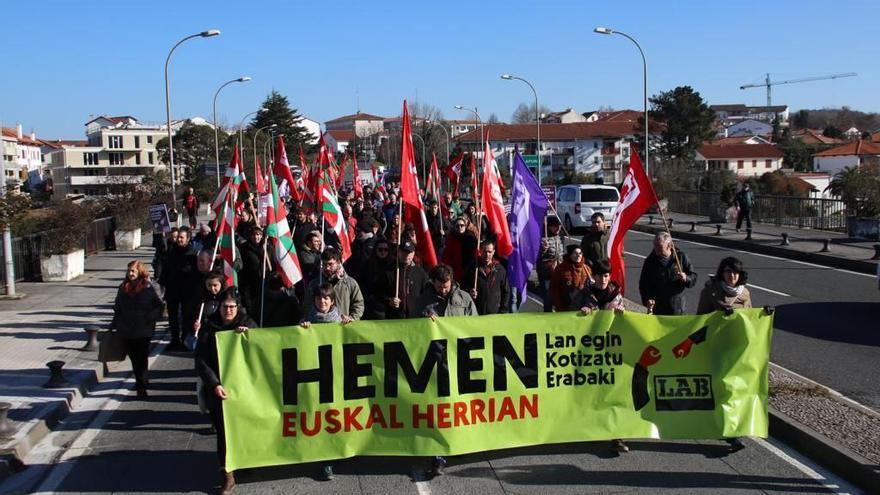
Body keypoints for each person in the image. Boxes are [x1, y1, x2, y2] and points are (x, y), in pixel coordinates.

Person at [195, 290, 255, 495]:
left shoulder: (248, 322)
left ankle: (245, 460)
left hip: (244, 389)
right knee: (223, 433)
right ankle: (227, 475)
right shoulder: (209, 326)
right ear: (218, 307)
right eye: (224, 307)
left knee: (245, 428)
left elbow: (263, 349)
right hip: (219, 389)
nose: (228, 311)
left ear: (237, 308)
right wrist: (214, 384)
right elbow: (201, 360)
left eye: (232, 307)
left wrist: (250, 336)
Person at [109, 261, 164, 398]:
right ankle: (140, 379)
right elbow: (118, 307)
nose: (131, 274)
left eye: (133, 271)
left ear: (140, 272)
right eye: (129, 271)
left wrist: (150, 317)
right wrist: (114, 324)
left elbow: (159, 306)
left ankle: (141, 384)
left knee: (142, 356)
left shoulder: (147, 287)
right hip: (127, 329)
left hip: (143, 329)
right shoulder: (123, 288)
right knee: (134, 358)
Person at [159, 226, 200, 351]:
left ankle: (185, 339)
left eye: (182, 237)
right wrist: (163, 282)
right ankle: (175, 339)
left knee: (187, 316)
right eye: (178, 237)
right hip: (172, 290)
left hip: (188, 292)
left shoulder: (193, 254)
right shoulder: (171, 252)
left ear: (188, 239)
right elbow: (165, 268)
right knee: (173, 317)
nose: (179, 240)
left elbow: (196, 273)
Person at [638, 232, 698, 315]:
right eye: (654, 245)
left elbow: (693, 277)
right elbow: (644, 284)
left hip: (677, 307)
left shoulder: (681, 257)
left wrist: (686, 278)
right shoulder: (650, 261)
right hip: (658, 307)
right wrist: (647, 299)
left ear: (669, 246)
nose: (656, 249)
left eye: (659, 246)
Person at [303, 248, 364, 322]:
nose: (327, 268)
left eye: (330, 264)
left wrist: (352, 318)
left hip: (342, 327)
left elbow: (358, 304)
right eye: (324, 264)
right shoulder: (314, 284)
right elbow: (307, 305)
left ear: (338, 262)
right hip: (319, 328)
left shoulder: (349, 283)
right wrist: (308, 319)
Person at [381, 240, 429, 319]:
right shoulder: (388, 271)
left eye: (409, 252)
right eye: (404, 252)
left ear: (413, 253)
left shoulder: (420, 273)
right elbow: (378, 294)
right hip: (394, 318)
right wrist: (389, 301)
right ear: (398, 252)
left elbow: (426, 294)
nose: (406, 255)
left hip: (414, 319)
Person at [464, 240, 511, 315]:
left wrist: (503, 310)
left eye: (489, 252)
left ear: (493, 252)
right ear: (480, 251)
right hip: (475, 312)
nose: (487, 254)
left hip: (494, 314)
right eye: (484, 251)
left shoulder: (500, 269)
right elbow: (463, 287)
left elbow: (506, 291)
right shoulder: (473, 268)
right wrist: (469, 292)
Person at [550, 244, 592, 312]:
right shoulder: (560, 269)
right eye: (575, 253)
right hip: (565, 307)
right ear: (570, 255)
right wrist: (559, 305)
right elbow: (554, 288)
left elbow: (591, 289)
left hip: (583, 308)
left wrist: (588, 305)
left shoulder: (586, 268)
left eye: (580, 253)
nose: (578, 255)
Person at [537, 216, 564, 312]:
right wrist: (543, 249)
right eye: (555, 226)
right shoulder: (543, 237)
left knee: (560, 296)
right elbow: (536, 257)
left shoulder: (560, 236)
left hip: (559, 270)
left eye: (559, 226)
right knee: (548, 297)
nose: (558, 229)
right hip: (547, 273)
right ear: (549, 227)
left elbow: (561, 253)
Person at [442, 217, 478, 282]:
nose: (460, 227)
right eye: (457, 226)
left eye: (462, 225)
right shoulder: (451, 239)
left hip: (469, 269)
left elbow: (476, 253)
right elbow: (446, 256)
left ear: (465, 226)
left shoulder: (471, 238)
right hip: (456, 271)